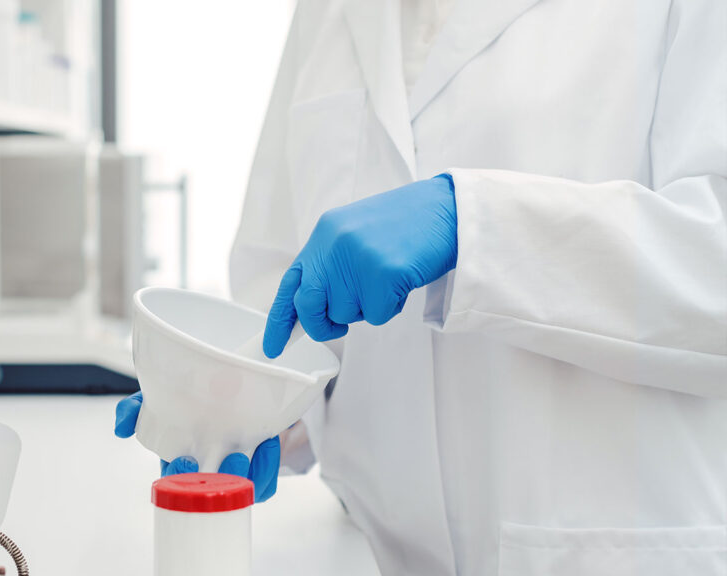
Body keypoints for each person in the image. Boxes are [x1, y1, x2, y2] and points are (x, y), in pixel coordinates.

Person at [116, 0, 727, 574]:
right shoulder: (329, 13)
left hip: (628, 549)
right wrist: (247, 401)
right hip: (390, 554)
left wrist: (475, 226)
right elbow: (279, 276)